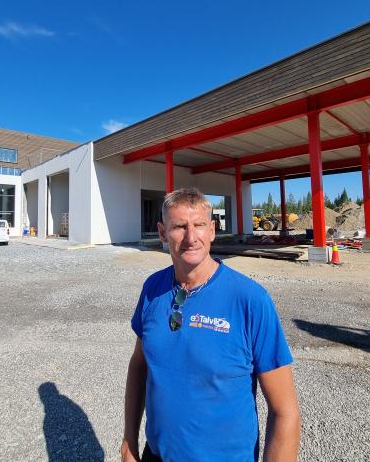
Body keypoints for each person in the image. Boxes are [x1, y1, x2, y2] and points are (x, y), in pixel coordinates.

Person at [121, 188, 300, 462]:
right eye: (179, 227)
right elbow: (139, 364)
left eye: (199, 225)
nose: (191, 237)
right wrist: (129, 442)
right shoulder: (152, 289)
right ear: (162, 233)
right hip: (155, 455)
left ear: (212, 230)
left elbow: (285, 412)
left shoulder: (250, 300)